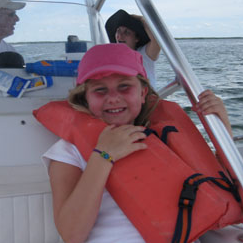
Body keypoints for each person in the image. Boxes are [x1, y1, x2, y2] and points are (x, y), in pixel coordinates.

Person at [41, 44, 232, 242]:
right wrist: (103, 156)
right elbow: (71, 234)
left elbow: (220, 183)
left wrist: (222, 125)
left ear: (142, 93)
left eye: (124, 86)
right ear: (85, 98)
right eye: (100, 90)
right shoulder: (69, 151)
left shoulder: (165, 138)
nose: (113, 98)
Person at [105, 9, 161, 88]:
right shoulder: (112, 59)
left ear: (136, 38)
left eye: (126, 32)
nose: (120, 36)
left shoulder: (144, 54)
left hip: (146, 99)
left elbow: (158, 41)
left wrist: (142, 19)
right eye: (118, 31)